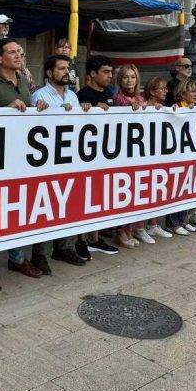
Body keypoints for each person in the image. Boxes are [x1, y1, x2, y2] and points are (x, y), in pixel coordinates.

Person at [0, 38, 49, 286]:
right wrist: (6, 109)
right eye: (12, 52)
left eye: (20, 52)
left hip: (20, 159)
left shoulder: (24, 83)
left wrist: (36, 106)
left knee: (17, 211)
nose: (18, 55)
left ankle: (17, 259)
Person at [31, 54, 90, 266]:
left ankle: (63, 247)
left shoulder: (73, 97)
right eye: (61, 68)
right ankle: (38, 253)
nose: (66, 72)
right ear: (49, 73)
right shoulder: (39, 95)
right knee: (44, 206)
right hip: (47, 161)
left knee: (67, 203)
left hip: (70, 158)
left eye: (68, 68)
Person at [73, 55, 119, 259]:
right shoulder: (81, 95)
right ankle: (81, 240)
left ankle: (95, 237)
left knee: (100, 197)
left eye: (111, 72)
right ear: (92, 74)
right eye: (106, 72)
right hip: (85, 157)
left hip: (105, 154)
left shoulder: (110, 93)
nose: (110, 76)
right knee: (83, 198)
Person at [166, 78, 196, 235]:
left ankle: (183, 220)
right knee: (176, 190)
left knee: (188, 188)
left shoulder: (195, 108)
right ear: (183, 92)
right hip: (177, 157)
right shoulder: (176, 107)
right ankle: (172, 223)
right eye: (192, 91)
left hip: (191, 156)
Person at [112, 64, 147, 248]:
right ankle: (120, 231)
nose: (129, 80)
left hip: (138, 152)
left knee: (135, 193)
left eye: (132, 77)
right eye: (125, 77)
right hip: (123, 153)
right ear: (120, 80)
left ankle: (130, 229)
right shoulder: (118, 99)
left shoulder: (140, 98)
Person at [138, 78, 174, 242]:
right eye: (162, 88)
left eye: (166, 88)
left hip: (160, 155)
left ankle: (152, 224)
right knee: (143, 190)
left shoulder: (164, 108)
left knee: (156, 190)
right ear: (152, 91)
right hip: (144, 156)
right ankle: (139, 227)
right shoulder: (143, 106)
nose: (165, 91)